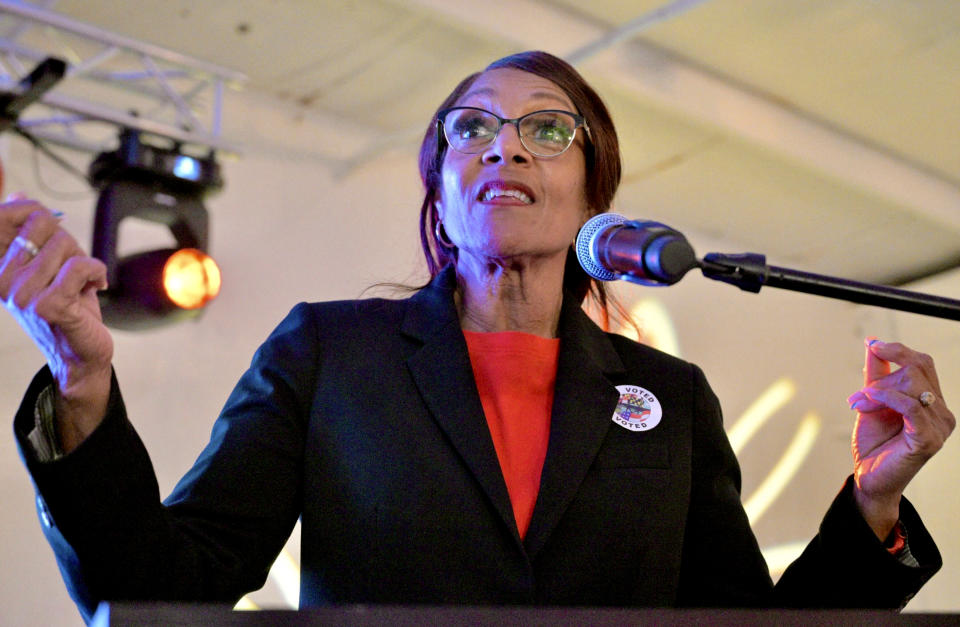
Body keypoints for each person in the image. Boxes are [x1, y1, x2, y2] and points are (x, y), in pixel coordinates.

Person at [1, 51, 953, 622]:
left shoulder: (670, 396)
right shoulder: (330, 356)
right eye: (472, 130)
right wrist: (82, 381)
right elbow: (166, 591)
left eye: (548, 129)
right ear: (444, 197)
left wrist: (872, 502)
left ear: (594, 192)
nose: (506, 147)